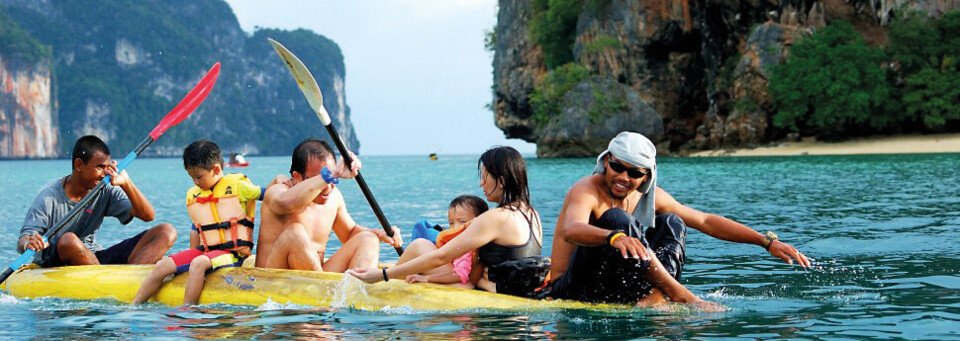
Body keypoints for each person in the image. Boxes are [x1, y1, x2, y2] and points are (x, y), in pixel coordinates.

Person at [545, 131, 809, 307]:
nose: (623, 177)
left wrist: (766, 242)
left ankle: (658, 293)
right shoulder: (587, 188)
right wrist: (613, 236)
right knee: (617, 219)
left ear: (646, 176)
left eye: (634, 172)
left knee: (673, 220)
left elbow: (704, 221)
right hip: (570, 287)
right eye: (617, 167)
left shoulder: (650, 196)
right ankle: (678, 293)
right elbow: (572, 229)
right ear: (606, 162)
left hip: (615, 285)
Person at [349, 146, 547, 297]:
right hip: (513, 290)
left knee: (420, 245)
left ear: (501, 181)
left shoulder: (497, 217)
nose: (481, 183)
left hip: (486, 292)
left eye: (485, 177)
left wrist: (383, 274)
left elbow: (440, 257)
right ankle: (392, 276)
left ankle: (383, 286)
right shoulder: (532, 214)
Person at [133, 140, 263, 304]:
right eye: (192, 177)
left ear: (215, 169)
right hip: (207, 251)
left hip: (234, 254)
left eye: (199, 177)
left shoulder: (238, 187)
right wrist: (184, 263)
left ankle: (188, 310)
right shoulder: (197, 196)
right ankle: (134, 306)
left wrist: (283, 184)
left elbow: (267, 195)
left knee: (198, 263)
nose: (195, 182)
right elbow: (196, 229)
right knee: (162, 265)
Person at [17, 135, 176, 267]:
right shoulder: (48, 197)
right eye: (99, 167)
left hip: (93, 256)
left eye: (107, 167)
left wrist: (126, 183)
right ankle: (107, 281)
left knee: (166, 231)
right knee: (69, 240)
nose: (104, 174)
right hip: (56, 261)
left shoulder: (104, 188)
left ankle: (131, 281)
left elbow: (148, 215)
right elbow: (24, 239)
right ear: (79, 164)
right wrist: (29, 244)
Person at [254, 139, 402, 272]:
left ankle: (356, 293)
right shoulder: (279, 191)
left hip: (315, 276)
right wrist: (329, 175)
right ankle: (323, 293)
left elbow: (349, 233)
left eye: (333, 179)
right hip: (273, 276)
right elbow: (286, 204)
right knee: (295, 233)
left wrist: (380, 233)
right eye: (320, 179)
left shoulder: (334, 197)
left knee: (368, 238)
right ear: (297, 177)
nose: (327, 187)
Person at [402, 195, 490, 289]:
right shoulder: (469, 240)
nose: (455, 227)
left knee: (419, 245)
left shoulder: (469, 245)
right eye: (451, 223)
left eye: (462, 222)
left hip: (462, 285)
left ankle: (391, 276)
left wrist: (427, 278)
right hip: (458, 279)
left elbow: (460, 275)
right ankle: (394, 273)